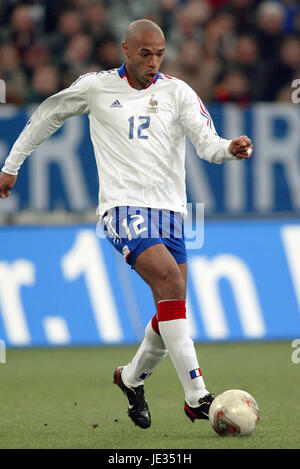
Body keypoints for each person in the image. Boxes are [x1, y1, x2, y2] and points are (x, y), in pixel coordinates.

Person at [0, 19, 252, 430]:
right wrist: (11, 166)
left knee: (170, 309)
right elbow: (49, 114)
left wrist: (230, 148)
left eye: (159, 55)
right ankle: (196, 397)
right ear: (125, 49)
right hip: (121, 209)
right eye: (145, 54)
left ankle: (130, 379)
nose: (154, 62)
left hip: (171, 213)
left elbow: (208, 145)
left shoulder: (177, 92)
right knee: (170, 283)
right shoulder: (97, 87)